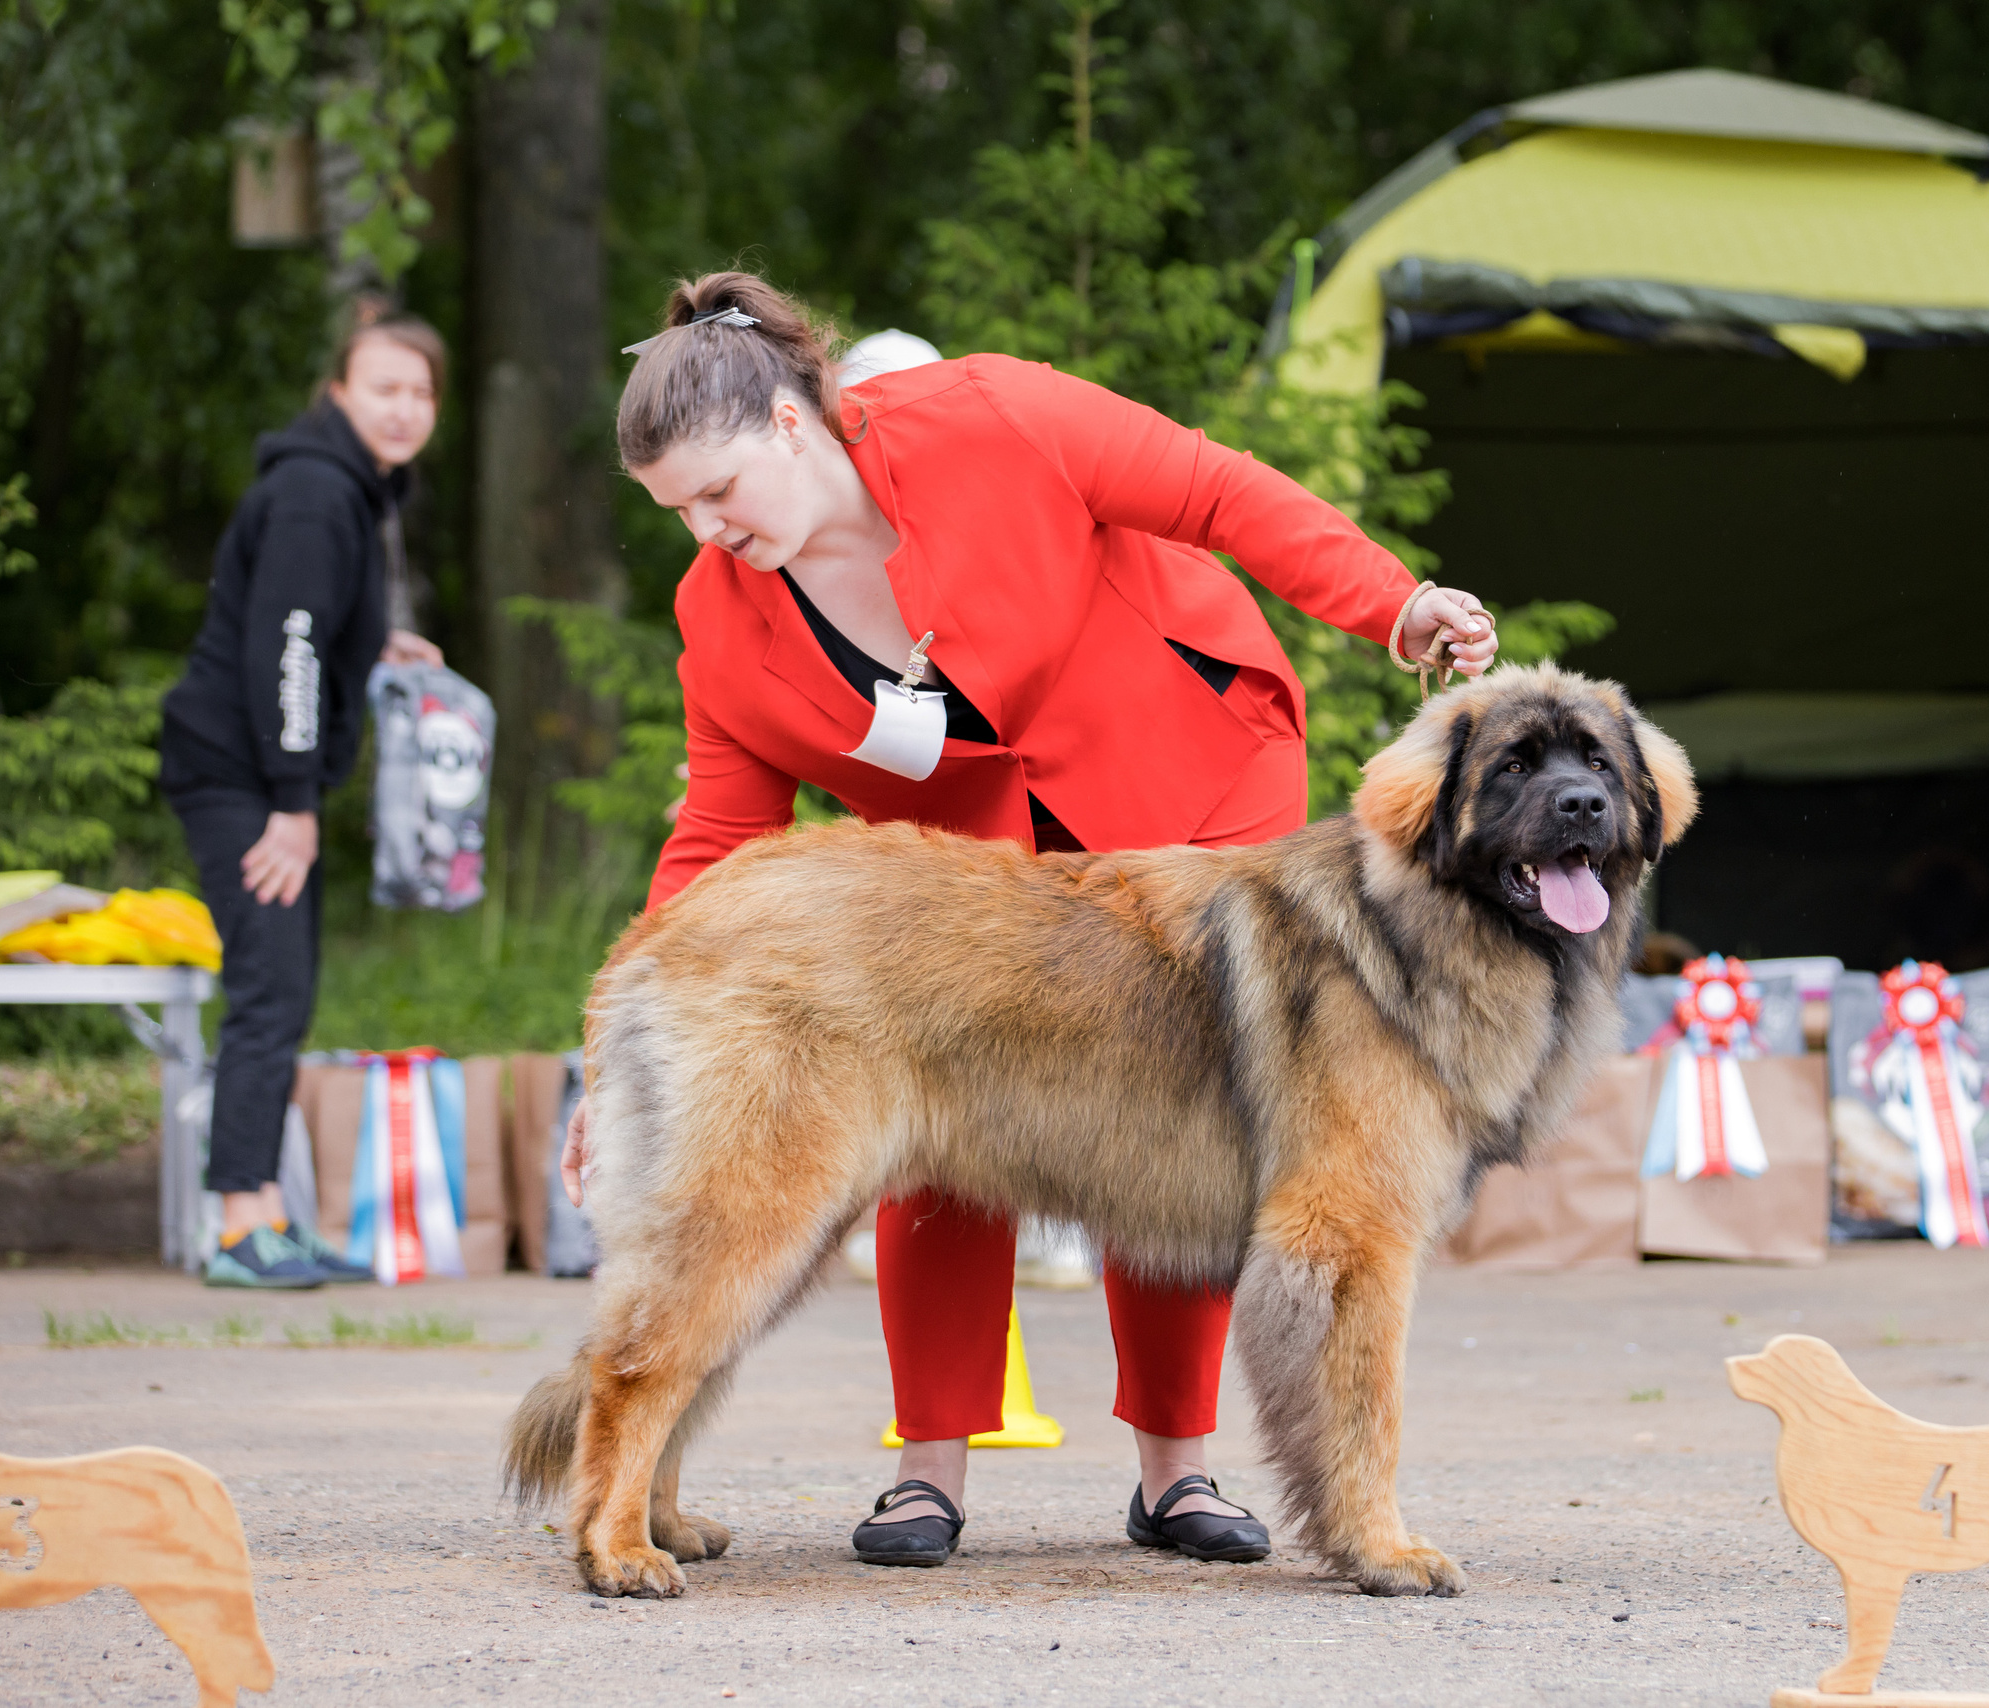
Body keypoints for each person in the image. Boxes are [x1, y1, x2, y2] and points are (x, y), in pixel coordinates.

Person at [566, 270, 1499, 1568]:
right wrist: (617, 1059)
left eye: (718, 493)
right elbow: (720, 838)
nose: (706, 532)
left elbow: (1219, 492)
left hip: (1178, 759)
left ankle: (1176, 1470)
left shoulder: (992, 415)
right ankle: (927, 1470)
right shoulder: (721, 619)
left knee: (1184, 1112)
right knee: (926, 1113)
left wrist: (1391, 603)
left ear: (793, 424)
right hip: (978, 843)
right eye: (676, 513)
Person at [160, 299, 449, 1289]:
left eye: (420, 391)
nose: (405, 408)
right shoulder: (317, 494)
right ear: (338, 393)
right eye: (384, 388)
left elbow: (310, 625)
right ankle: (240, 1227)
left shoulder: (348, 489)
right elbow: (281, 650)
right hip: (241, 772)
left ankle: (269, 1214)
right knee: (268, 988)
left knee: (285, 986)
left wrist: (376, 644)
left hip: (255, 768)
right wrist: (291, 801)